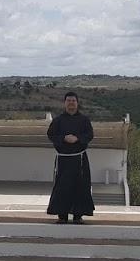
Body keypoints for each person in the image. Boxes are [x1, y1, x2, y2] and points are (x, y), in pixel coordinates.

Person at [46, 91, 94, 223]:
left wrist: (77, 138)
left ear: (77, 103)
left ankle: (78, 216)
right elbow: (50, 135)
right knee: (62, 187)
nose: (71, 103)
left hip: (79, 160)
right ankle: (62, 216)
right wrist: (63, 138)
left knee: (81, 187)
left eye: (73, 101)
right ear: (64, 103)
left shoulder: (84, 120)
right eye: (69, 101)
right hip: (63, 161)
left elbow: (89, 135)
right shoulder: (58, 120)